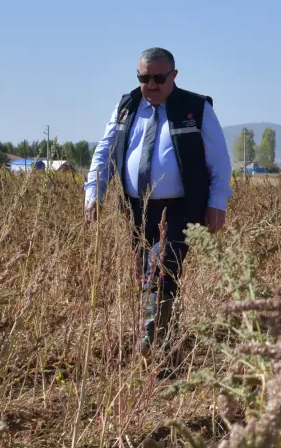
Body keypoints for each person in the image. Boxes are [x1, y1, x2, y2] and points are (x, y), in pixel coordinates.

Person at [85, 47, 232, 354]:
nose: (150, 84)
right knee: (146, 274)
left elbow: (219, 160)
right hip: (136, 209)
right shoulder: (126, 106)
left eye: (158, 78)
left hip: (180, 208)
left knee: (161, 269)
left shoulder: (196, 108)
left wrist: (217, 202)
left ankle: (150, 344)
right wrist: (94, 191)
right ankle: (166, 341)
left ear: (173, 76)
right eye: (144, 77)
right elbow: (106, 150)